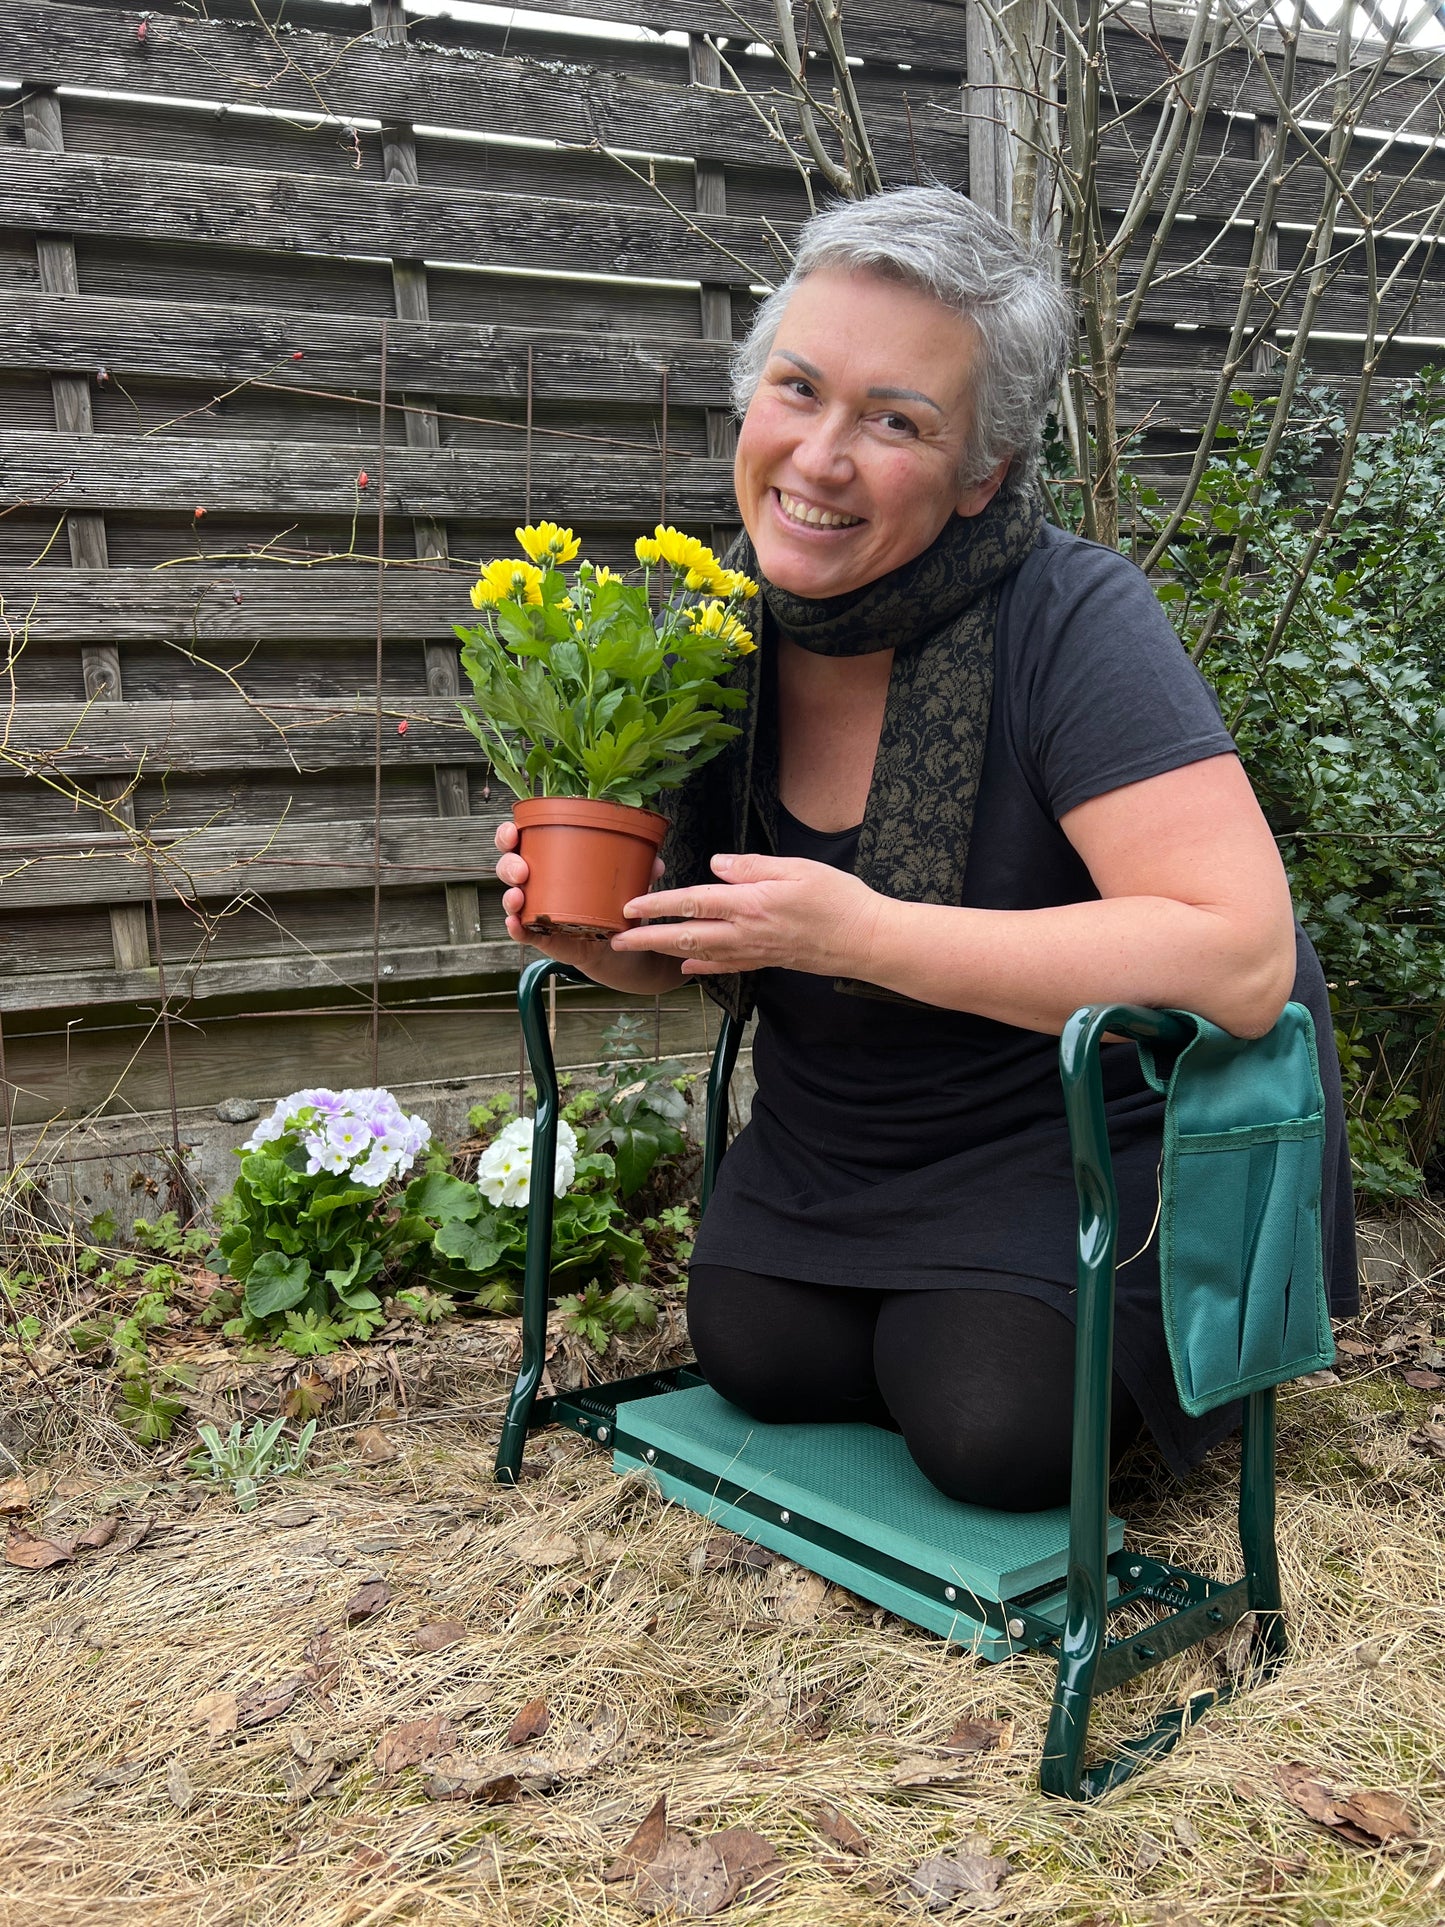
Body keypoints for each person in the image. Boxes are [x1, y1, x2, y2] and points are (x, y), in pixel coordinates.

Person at [494, 185, 1356, 1511]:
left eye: (895, 421)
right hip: (839, 1142)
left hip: (1078, 1138)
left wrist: (866, 936)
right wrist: (601, 939)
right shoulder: (717, 629)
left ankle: (1091, 1326)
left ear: (982, 473)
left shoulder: (1073, 621)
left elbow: (1236, 960)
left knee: (992, 1425)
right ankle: (925, 1311)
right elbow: (702, 942)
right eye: (797, 390)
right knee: (755, 1350)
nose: (819, 458)